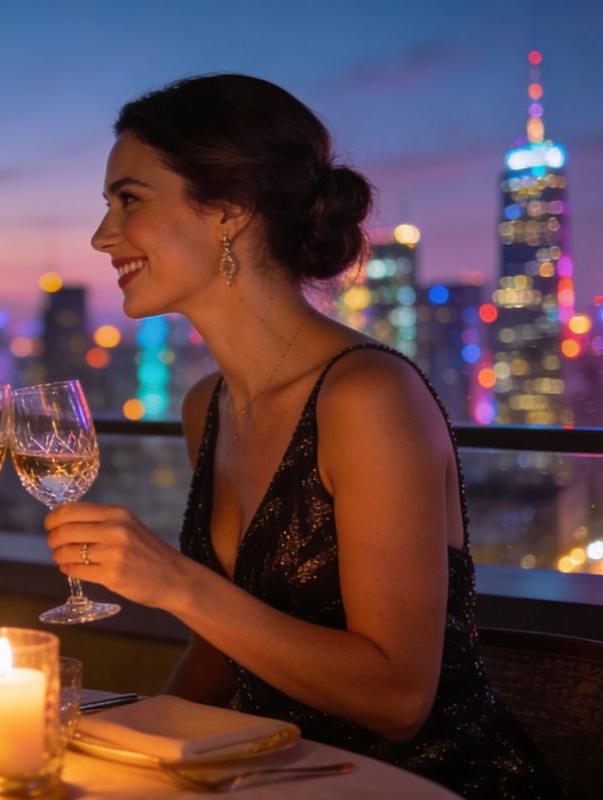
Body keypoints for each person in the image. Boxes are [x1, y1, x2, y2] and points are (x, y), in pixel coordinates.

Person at [47, 74, 562, 798]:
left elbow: (399, 700)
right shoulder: (207, 406)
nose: (103, 235)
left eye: (128, 200)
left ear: (230, 211)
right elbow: (225, 652)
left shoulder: (368, 397)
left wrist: (175, 582)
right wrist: (124, 748)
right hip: (270, 776)